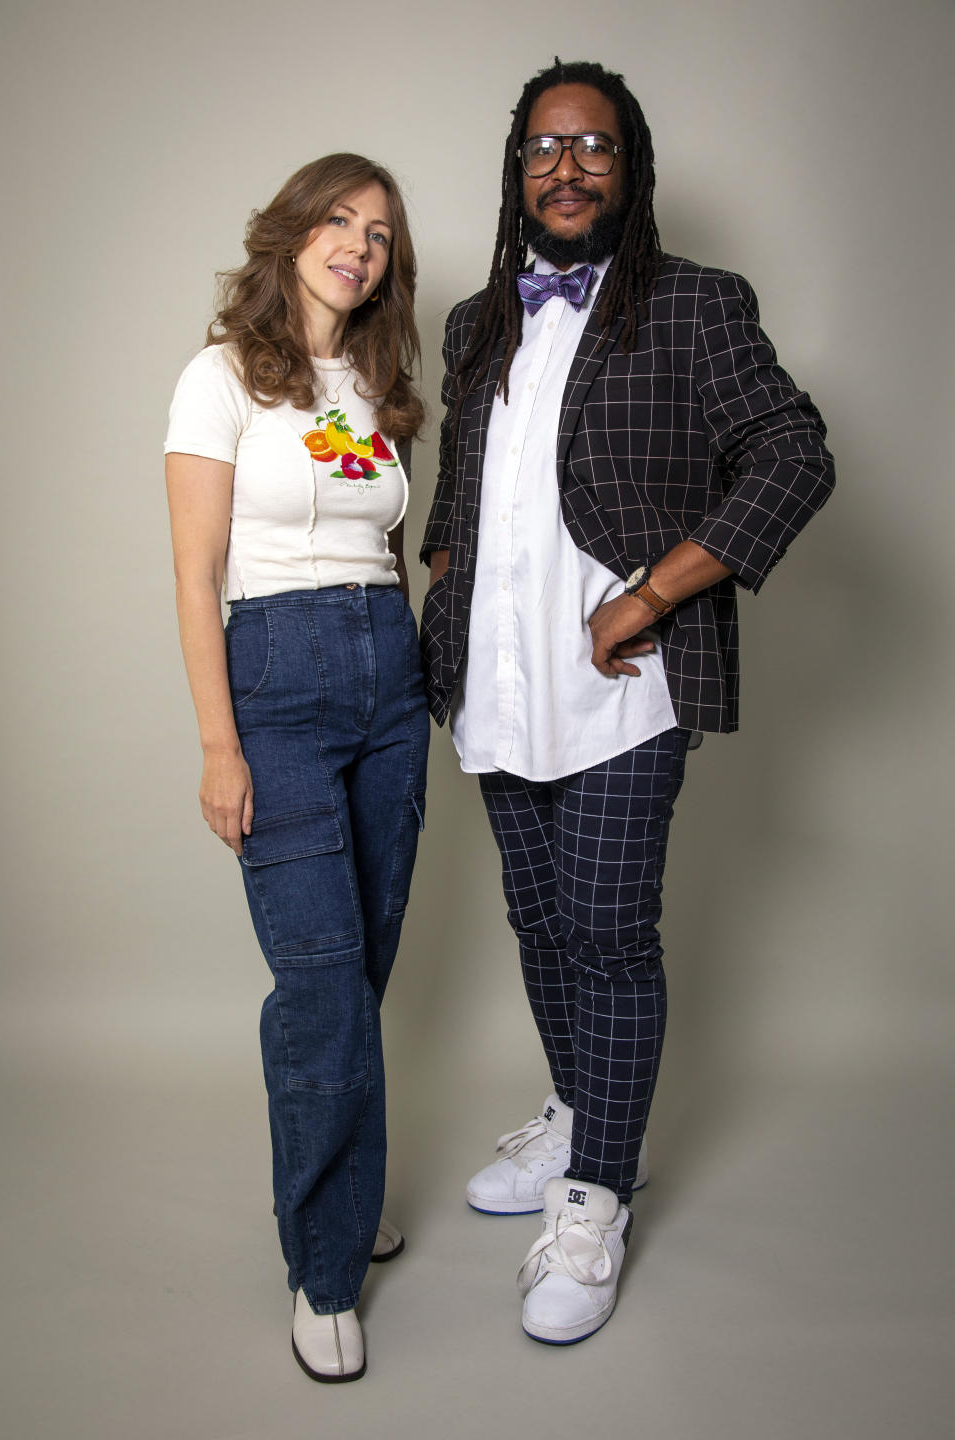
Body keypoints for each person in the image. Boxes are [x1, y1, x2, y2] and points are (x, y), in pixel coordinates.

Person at [420, 59, 834, 1346]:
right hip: (497, 677)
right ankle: (576, 1114)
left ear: (630, 165)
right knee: (538, 920)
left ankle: (598, 1195)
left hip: (622, 688)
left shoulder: (698, 306)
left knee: (606, 928)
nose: (566, 168)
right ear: (518, 167)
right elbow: (461, 492)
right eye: (544, 147)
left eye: (593, 146)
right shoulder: (477, 319)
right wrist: (444, 588)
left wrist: (650, 597)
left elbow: (795, 454)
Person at [165, 153, 428, 1383]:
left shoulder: (372, 386)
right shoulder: (217, 378)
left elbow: (391, 542)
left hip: (389, 665)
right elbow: (193, 573)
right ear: (292, 233)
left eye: (379, 233)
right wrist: (220, 743)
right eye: (340, 219)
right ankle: (324, 1267)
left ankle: (347, 1180)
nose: (359, 246)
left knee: (366, 955)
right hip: (274, 677)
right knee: (319, 981)